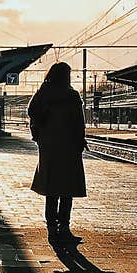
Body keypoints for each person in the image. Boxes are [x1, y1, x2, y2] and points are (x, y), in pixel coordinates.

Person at [27, 62, 87, 245]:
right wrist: (80, 141)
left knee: (51, 190)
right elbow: (79, 122)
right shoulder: (71, 95)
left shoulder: (42, 94)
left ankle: (52, 229)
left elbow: (32, 115)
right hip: (68, 146)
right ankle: (64, 228)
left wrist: (38, 136)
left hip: (49, 148)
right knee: (67, 189)